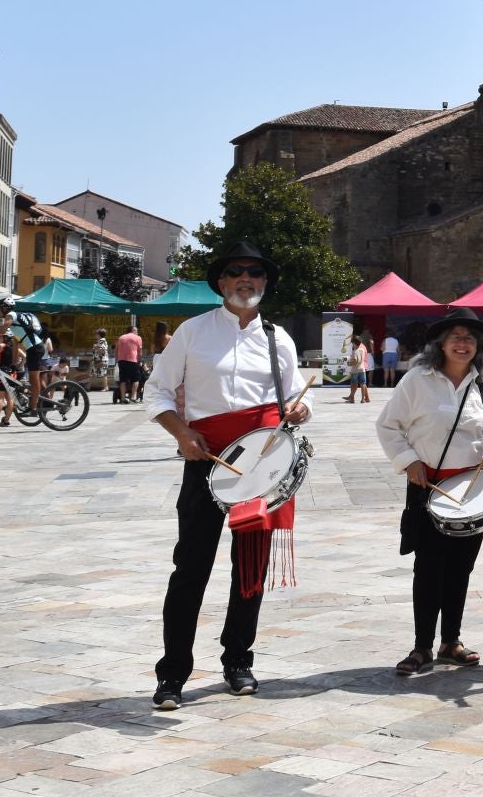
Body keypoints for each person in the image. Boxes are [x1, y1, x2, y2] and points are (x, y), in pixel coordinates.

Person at [145, 242, 311, 710]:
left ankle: (238, 660)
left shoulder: (279, 339)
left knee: (250, 569)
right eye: (236, 271)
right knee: (190, 569)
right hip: (206, 461)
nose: (245, 279)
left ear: (265, 282)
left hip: (261, 468)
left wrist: (301, 409)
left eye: (254, 272)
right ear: (221, 282)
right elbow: (157, 392)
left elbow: (298, 395)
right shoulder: (192, 332)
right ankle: (173, 672)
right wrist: (181, 433)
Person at [374, 307, 483, 677]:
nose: (462, 344)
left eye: (469, 338)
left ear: (478, 347)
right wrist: (408, 460)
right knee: (429, 568)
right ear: (441, 343)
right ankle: (422, 646)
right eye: (456, 337)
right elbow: (387, 425)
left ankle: (451, 641)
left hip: (472, 491)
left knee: (460, 569)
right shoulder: (417, 379)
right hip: (429, 485)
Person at [117, 321, 145, 406]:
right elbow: (139, 351)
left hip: (122, 360)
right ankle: (133, 397)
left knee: (123, 380)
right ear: (133, 330)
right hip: (133, 360)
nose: (137, 332)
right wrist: (140, 361)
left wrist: (117, 360)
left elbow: (117, 350)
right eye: (136, 331)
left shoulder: (121, 337)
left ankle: (122, 398)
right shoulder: (138, 338)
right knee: (136, 379)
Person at [345, 334, 372, 404]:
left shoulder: (355, 351)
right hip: (362, 369)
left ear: (354, 343)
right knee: (363, 384)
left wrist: (349, 363)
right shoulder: (362, 349)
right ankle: (363, 399)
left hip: (355, 370)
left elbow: (355, 361)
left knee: (354, 384)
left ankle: (352, 398)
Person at [94, 328, 119, 401]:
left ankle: (105, 387)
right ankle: (104, 387)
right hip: (100, 359)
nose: (95, 335)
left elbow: (102, 350)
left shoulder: (102, 341)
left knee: (103, 373)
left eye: (96, 334)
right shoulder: (101, 341)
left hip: (102, 359)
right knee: (99, 373)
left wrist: (96, 347)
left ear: (99, 335)